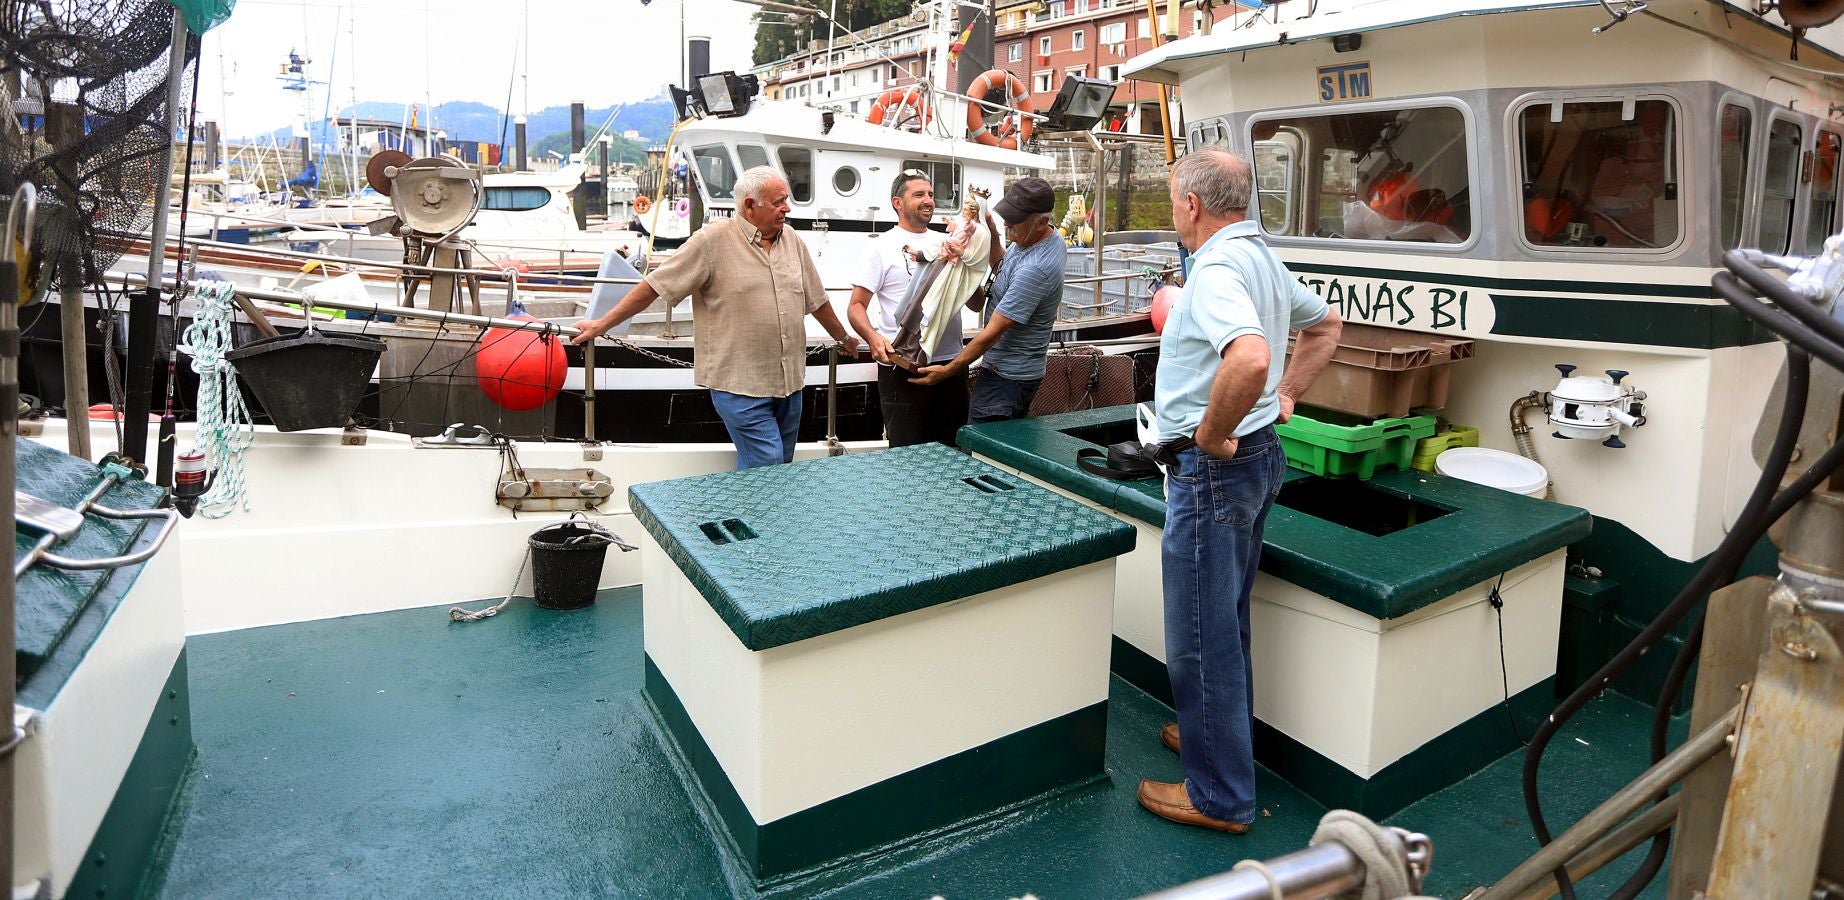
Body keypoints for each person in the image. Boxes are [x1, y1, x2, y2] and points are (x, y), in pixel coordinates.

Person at [1137, 149, 1343, 833]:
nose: (1173, 212)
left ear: (1192, 204)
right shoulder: (1258, 255)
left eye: (1172, 200)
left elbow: (1249, 355)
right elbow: (1325, 325)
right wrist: (1285, 397)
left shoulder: (1220, 266)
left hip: (1217, 472)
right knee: (1225, 617)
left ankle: (1220, 795)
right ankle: (1212, 740)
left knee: (1201, 636)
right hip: (1260, 459)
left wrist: (1210, 435)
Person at [570, 166, 860, 469]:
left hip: (789, 385)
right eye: (778, 202)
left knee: (780, 469)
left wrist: (843, 338)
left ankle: (759, 515)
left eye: (786, 200)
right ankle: (755, 515)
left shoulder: (793, 242)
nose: (787, 208)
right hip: (741, 387)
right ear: (750, 205)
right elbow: (655, 285)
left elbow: (817, 300)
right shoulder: (712, 240)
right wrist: (602, 324)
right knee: (768, 466)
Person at [849, 172, 997, 446]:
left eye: (930, 194)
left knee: (952, 452)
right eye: (919, 195)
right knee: (905, 455)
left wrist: (965, 268)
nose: (928, 200)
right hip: (902, 365)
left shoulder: (952, 241)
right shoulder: (880, 248)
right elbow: (856, 306)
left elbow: (976, 303)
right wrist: (873, 338)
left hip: (950, 366)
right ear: (898, 203)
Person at [911, 176, 1063, 423]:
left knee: (983, 449)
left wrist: (948, 370)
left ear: (1042, 222)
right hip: (1008, 373)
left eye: (1015, 222)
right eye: (1006, 218)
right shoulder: (1039, 237)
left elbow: (994, 333)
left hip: (1008, 380)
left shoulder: (1037, 269)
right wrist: (991, 230)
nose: (1008, 226)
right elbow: (1001, 266)